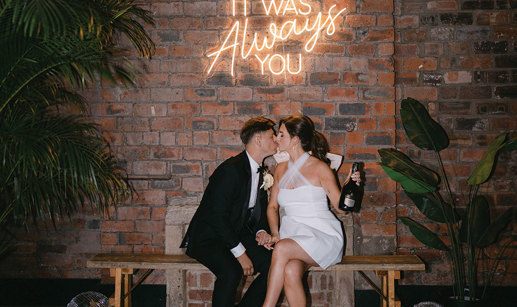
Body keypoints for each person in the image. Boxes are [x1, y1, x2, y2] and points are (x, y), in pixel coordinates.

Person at [261, 115, 361, 307]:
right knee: (290, 270)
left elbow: (343, 211)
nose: (276, 139)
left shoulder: (320, 168)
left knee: (281, 248)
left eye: (281, 135)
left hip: (322, 236)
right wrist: (275, 233)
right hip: (294, 237)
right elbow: (272, 207)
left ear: (295, 140)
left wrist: (351, 186)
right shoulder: (281, 169)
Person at [180, 116, 277, 307]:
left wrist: (261, 231)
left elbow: (260, 211)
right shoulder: (231, 170)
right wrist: (241, 253)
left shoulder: (262, 171)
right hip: (209, 238)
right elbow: (216, 216)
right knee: (232, 271)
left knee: (276, 263)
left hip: (235, 234)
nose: (276, 140)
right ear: (258, 140)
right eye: (272, 136)